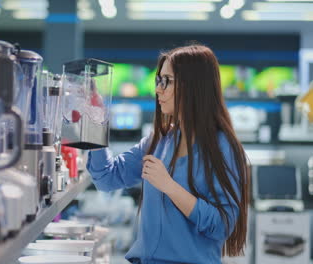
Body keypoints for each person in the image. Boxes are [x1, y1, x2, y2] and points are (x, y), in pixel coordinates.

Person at [87, 45, 250, 264]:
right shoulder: (158, 141)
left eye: (167, 81)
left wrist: (170, 187)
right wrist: (97, 119)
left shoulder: (222, 147)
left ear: (193, 86)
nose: (158, 90)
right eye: (158, 80)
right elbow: (106, 177)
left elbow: (222, 225)